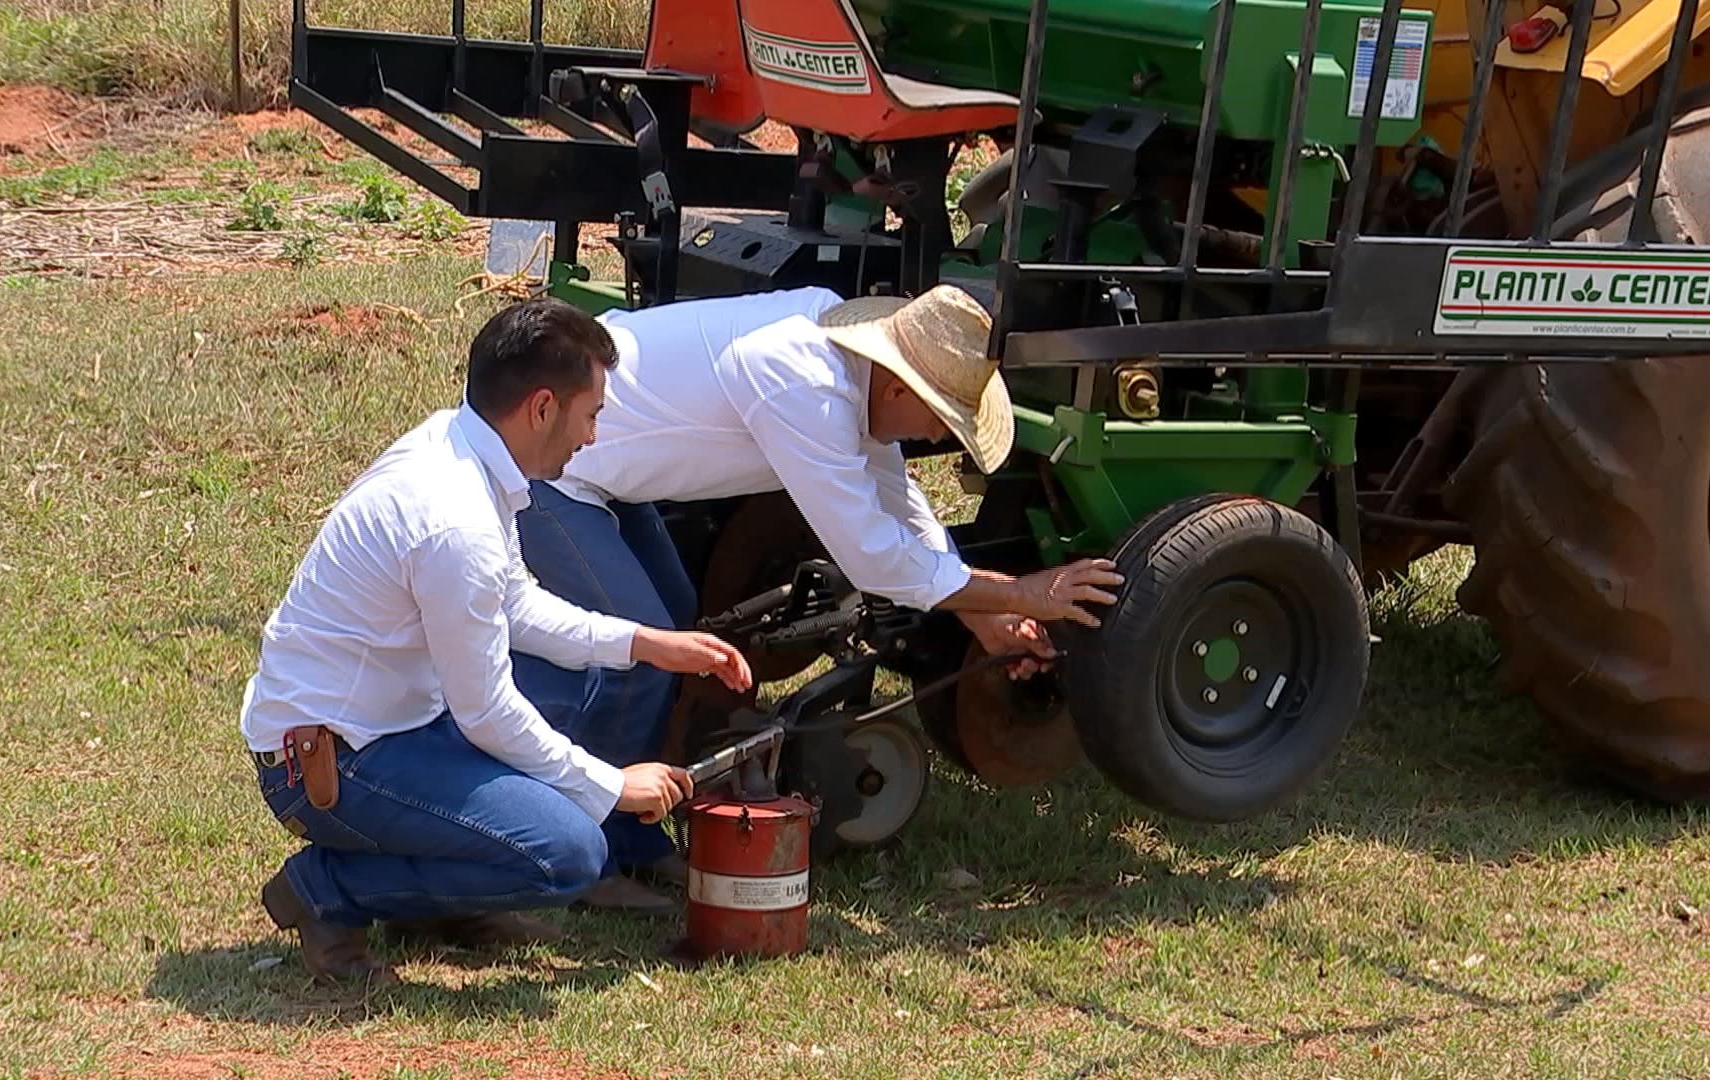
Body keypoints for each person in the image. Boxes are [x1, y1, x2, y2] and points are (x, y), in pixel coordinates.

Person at [505, 284, 1125, 910]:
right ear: (899, 387)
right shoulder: (800, 382)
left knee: (671, 633)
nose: (939, 436)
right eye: (942, 418)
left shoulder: (847, 368)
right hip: (554, 469)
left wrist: (985, 615)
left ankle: (626, 843)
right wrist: (1021, 592)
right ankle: (567, 846)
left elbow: (899, 505)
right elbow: (872, 555)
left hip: (608, 476)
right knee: (642, 651)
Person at [238, 298, 753, 984]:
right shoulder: (456, 521)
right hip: (330, 764)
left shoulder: (459, 447)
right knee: (567, 853)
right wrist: (613, 786)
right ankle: (326, 890)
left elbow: (514, 604)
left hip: (388, 727)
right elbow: (485, 711)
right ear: (542, 407)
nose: (594, 438)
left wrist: (648, 644)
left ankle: (443, 897)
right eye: (591, 414)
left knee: (574, 712)